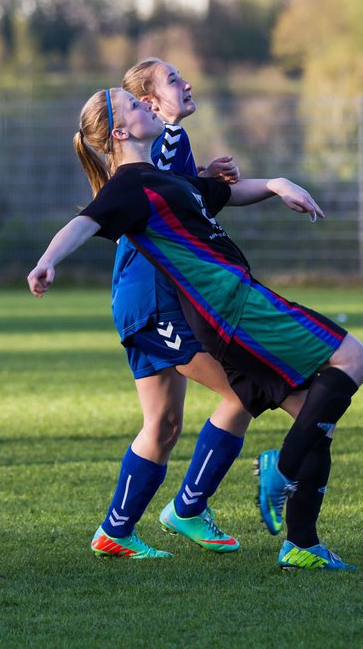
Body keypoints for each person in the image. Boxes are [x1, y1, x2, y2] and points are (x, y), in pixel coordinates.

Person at [28, 87, 363, 570]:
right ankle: (274, 479)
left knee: (311, 412)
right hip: (228, 308)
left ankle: (301, 543)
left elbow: (228, 192)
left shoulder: (167, 178)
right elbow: (85, 222)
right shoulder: (129, 184)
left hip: (234, 301)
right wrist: (46, 262)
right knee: (350, 362)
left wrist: (277, 184)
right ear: (121, 132)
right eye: (133, 104)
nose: (146, 104)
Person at [91, 58, 249, 560]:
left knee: (162, 425)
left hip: (143, 300)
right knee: (245, 391)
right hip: (154, 300)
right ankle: (188, 506)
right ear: (150, 105)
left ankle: (114, 533)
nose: (186, 85)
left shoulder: (169, 145)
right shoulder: (156, 143)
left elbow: (176, 196)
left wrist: (204, 176)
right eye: (173, 81)